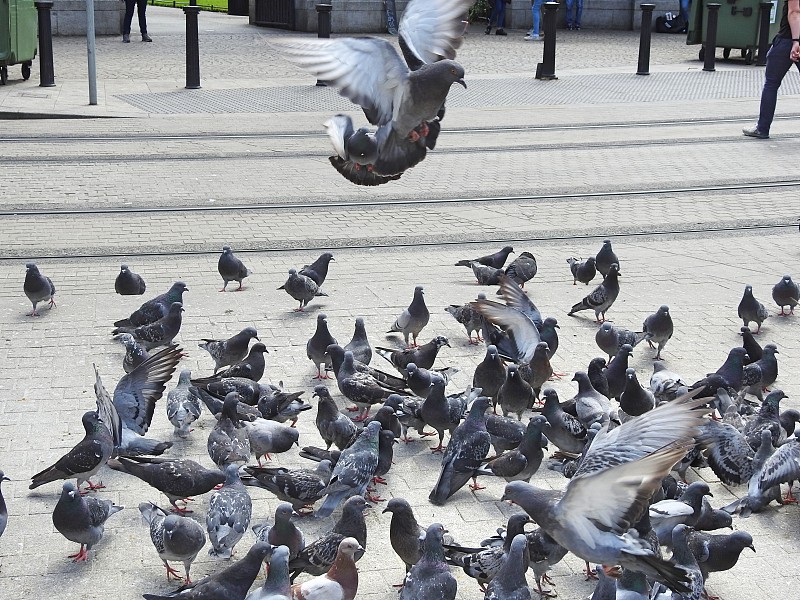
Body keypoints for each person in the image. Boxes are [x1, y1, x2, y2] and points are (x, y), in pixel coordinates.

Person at [743, 0, 800, 139]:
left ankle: (762, 128)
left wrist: (796, 41)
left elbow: (794, 11)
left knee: (771, 84)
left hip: (788, 40)